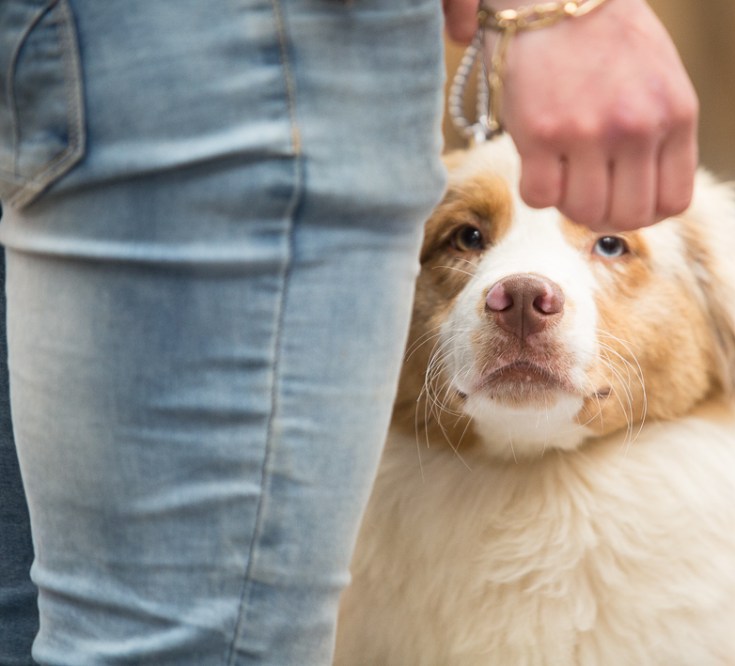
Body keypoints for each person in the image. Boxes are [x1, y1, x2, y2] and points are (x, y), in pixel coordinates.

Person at [0, 0, 696, 663]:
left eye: (607, 244)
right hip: (252, 39)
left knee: (31, 617)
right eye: (467, 237)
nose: (519, 293)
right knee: (192, 641)